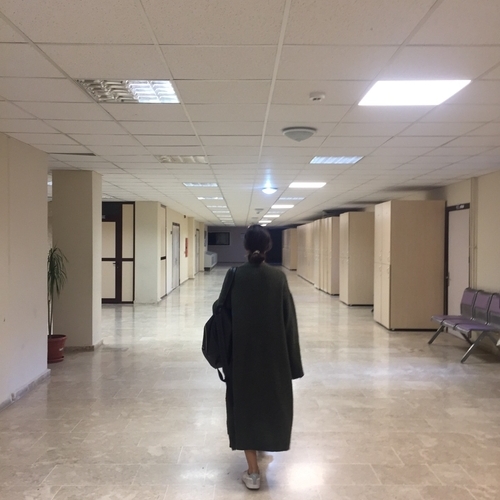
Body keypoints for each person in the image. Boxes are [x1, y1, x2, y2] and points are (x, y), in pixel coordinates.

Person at [217, 224, 304, 490]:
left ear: (245, 247)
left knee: (245, 405)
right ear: (268, 247)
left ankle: (253, 472)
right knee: (268, 402)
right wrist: (293, 364)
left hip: (241, 355)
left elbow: (221, 312)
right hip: (274, 356)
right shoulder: (278, 278)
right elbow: (289, 322)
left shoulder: (235, 275)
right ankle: (264, 443)